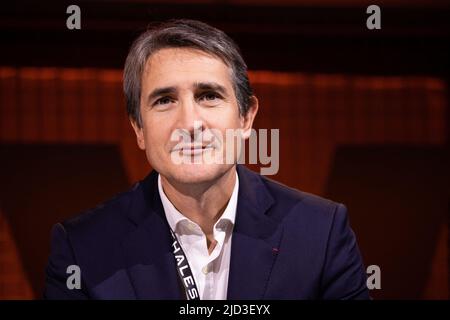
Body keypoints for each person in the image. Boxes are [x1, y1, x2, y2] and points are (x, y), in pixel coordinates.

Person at [44, 19, 369, 300]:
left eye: (209, 96)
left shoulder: (321, 233)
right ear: (138, 128)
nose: (189, 123)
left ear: (246, 118)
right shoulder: (82, 249)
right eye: (165, 100)